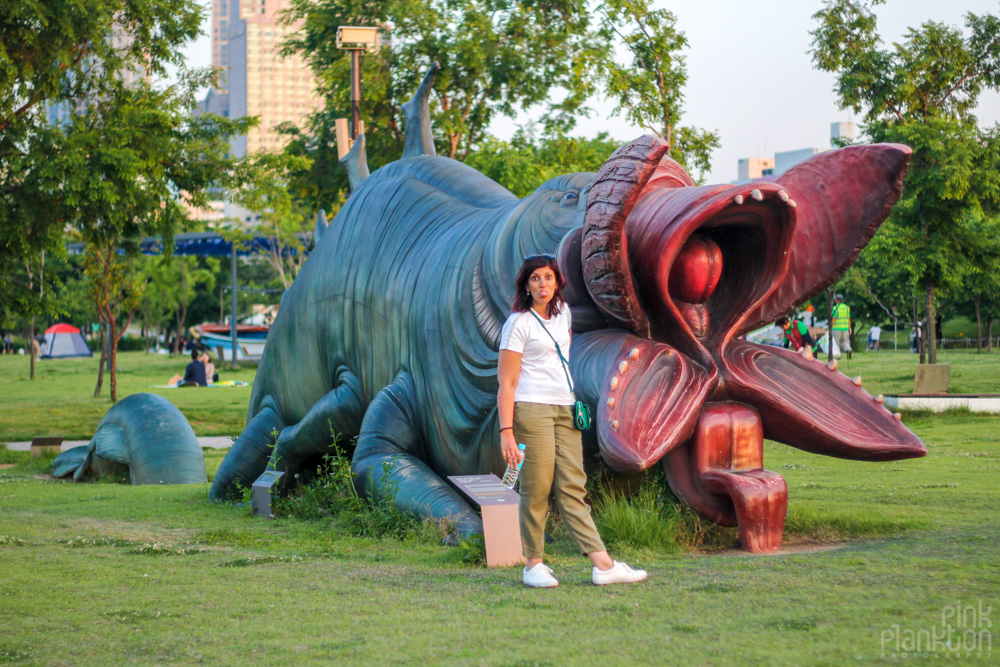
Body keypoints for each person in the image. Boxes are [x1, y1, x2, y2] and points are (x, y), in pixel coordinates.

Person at [497, 254, 647, 588]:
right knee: (535, 487)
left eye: (548, 278)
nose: (542, 285)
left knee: (572, 487)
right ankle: (533, 565)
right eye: (535, 278)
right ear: (525, 284)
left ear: (556, 281)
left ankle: (603, 566)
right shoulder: (517, 324)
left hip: (565, 408)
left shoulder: (563, 312)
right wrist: (506, 431)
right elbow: (506, 383)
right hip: (531, 410)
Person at [832, 294, 852, 360]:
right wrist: (849, 328)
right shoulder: (847, 307)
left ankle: (838, 356)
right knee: (846, 342)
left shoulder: (835, 308)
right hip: (845, 328)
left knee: (836, 343)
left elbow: (833, 319)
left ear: (837, 300)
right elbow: (849, 319)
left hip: (837, 328)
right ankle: (848, 349)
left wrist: (831, 327)